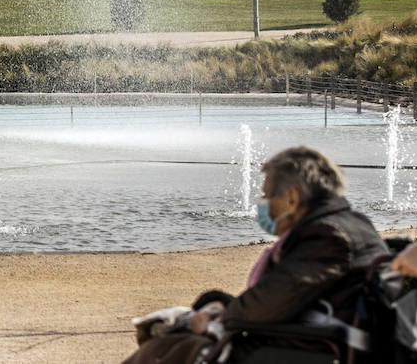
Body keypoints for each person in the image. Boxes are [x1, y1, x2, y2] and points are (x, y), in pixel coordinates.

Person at [122, 146, 385, 364]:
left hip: (301, 347)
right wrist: (220, 304)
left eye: (267, 195)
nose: (263, 204)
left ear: (292, 198)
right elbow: (285, 296)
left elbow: (271, 303)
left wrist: (216, 317)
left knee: (169, 345)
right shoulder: (351, 224)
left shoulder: (328, 237)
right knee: (182, 327)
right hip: (306, 337)